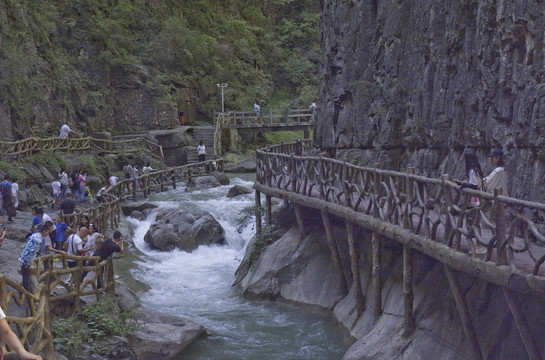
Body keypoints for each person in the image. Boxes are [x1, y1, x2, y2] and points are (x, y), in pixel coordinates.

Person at [455, 149, 486, 255]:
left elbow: (474, 186)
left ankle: (479, 246)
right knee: (473, 224)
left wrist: (464, 185)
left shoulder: (474, 171)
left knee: (473, 224)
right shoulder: (475, 170)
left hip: (474, 200)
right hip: (474, 200)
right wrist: (463, 183)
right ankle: (477, 245)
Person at [19, 221, 54, 291]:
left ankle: (26, 291)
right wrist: (29, 263)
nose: (48, 234)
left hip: (24, 257)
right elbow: (32, 252)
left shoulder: (35, 235)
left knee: (27, 276)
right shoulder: (38, 240)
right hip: (28, 260)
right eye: (48, 232)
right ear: (44, 231)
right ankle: (26, 293)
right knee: (27, 277)